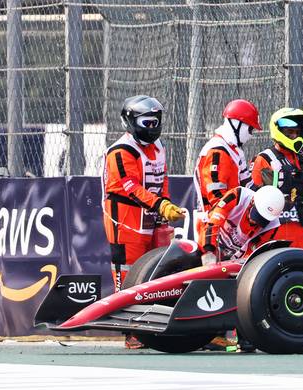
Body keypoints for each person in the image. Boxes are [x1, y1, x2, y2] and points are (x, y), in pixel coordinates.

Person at [102, 95, 186, 349]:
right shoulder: (121, 151)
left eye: (156, 122)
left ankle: (154, 324)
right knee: (128, 272)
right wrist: (160, 204)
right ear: (130, 121)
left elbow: (162, 179)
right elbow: (130, 187)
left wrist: (166, 203)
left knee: (156, 272)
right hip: (125, 219)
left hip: (152, 216)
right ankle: (131, 331)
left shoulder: (158, 147)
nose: (153, 128)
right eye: (147, 123)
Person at [251, 108, 303, 250]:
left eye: (297, 132)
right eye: (289, 133)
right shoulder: (266, 159)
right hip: (276, 233)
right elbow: (254, 200)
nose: (294, 136)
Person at [193, 99, 261, 242]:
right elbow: (216, 197)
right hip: (214, 226)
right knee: (223, 266)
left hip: (230, 223)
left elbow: (247, 186)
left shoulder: (234, 151)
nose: (251, 135)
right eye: (250, 129)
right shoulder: (218, 151)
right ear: (238, 125)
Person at [199, 184, 286, 264]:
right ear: (252, 201)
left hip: (232, 256)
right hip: (207, 239)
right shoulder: (237, 195)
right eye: (256, 215)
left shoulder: (272, 225)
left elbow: (254, 252)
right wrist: (208, 250)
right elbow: (214, 222)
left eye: (262, 219)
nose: (255, 221)